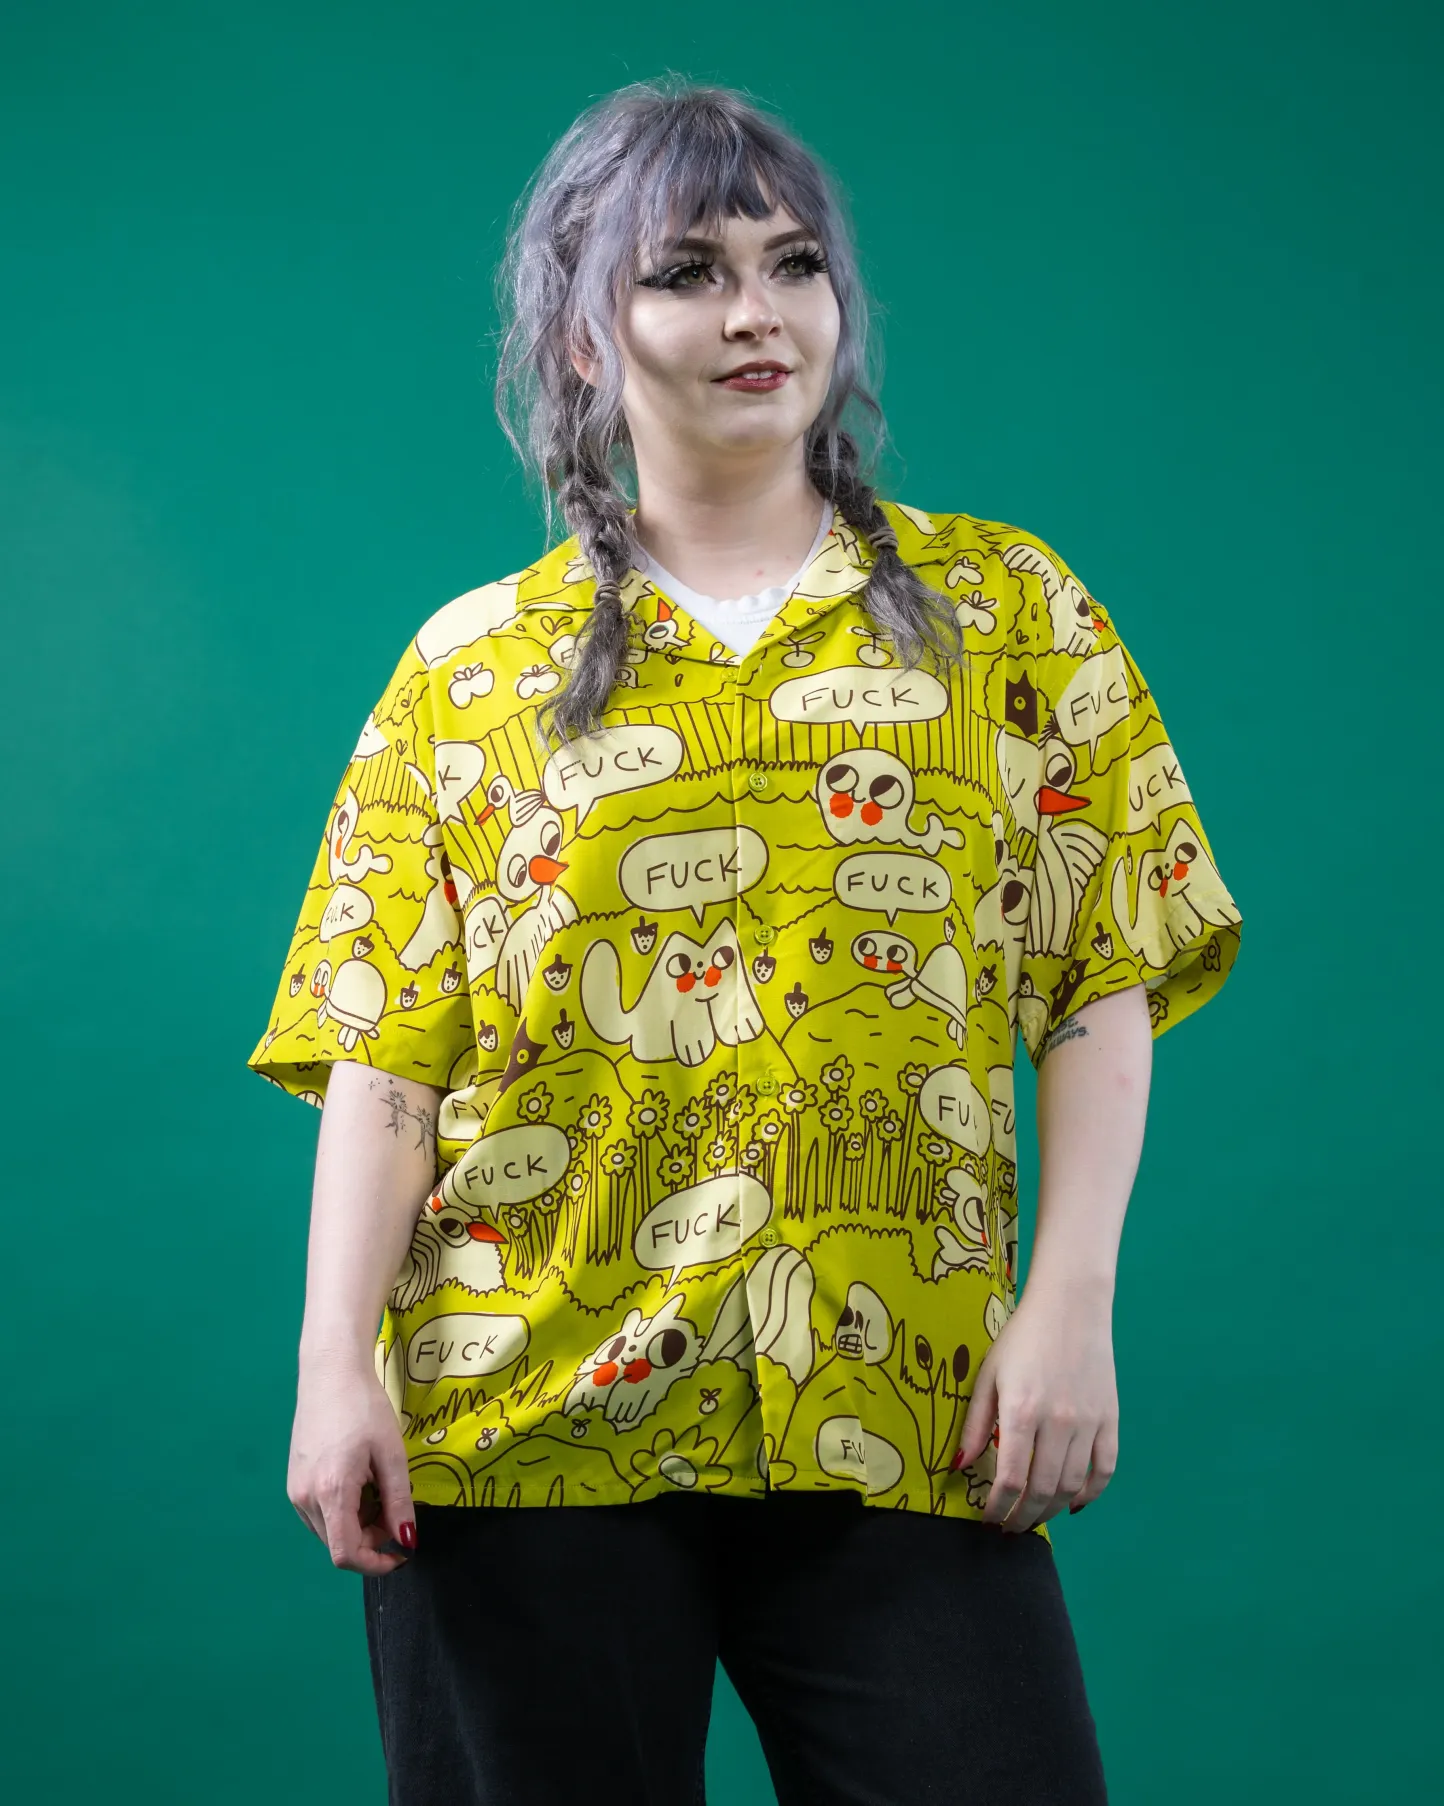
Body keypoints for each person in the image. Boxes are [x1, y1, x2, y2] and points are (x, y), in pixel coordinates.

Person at [246, 77, 1242, 1806]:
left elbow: (1101, 975)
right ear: (584, 336)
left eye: (793, 263)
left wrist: (1070, 1301)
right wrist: (334, 1362)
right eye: (688, 272)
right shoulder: (466, 675)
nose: (757, 312)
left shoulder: (1011, 617)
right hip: (523, 1419)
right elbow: (385, 1057)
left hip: (905, 1400)